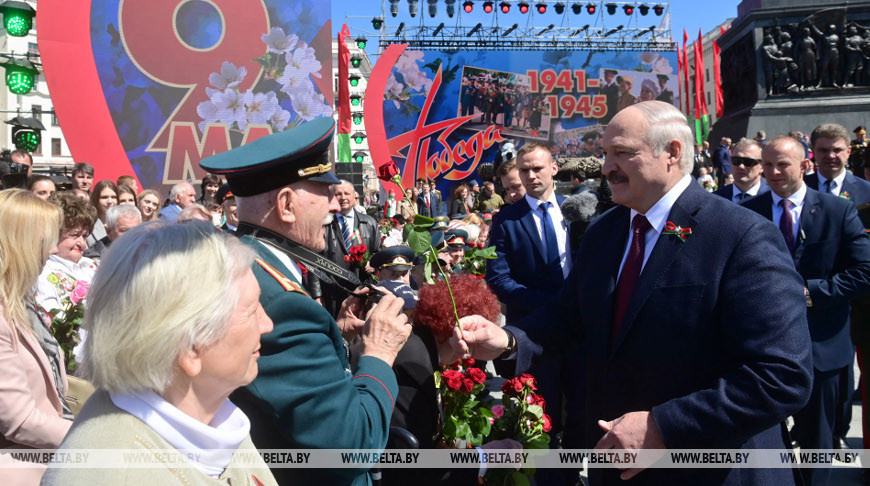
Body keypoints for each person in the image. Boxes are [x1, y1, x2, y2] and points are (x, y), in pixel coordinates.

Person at [458, 101, 813, 486]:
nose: (606, 167)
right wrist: (509, 340)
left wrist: (665, 425)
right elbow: (570, 316)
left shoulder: (741, 235)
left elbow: (782, 375)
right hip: (617, 466)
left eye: (622, 153)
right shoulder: (603, 233)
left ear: (672, 152)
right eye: (605, 153)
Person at [200, 117, 412, 486]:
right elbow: (352, 447)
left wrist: (335, 335)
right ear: (286, 204)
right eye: (324, 191)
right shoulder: (278, 302)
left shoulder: (247, 262)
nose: (335, 204)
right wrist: (379, 352)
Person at [42, 222, 278, 485]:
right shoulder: (112, 476)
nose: (267, 324)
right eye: (251, 310)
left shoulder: (215, 417)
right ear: (189, 347)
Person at [742, 135, 870, 486]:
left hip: (821, 347)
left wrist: (809, 293)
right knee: (765, 439)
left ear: (805, 166)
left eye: (782, 164)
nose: (773, 172)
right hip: (760, 349)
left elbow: (864, 271)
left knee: (818, 441)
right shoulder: (746, 213)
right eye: (767, 165)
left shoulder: (837, 210)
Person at [485, 141, 573, 476]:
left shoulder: (579, 211)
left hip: (583, 334)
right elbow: (498, 278)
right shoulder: (506, 220)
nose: (532, 175)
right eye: (525, 170)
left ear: (554, 168)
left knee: (582, 412)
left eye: (538, 168)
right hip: (535, 334)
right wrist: (552, 305)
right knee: (541, 417)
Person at [0, 190, 72, 485]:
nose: (54, 250)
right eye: (47, 240)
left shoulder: (20, 302)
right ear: (21, 243)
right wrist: (94, 437)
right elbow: (20, 420)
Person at [321, 179, 380, 315]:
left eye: (347, 193)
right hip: (332, 290)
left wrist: (372, 264)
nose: (343, 197)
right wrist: (317, 295)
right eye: (338, 194)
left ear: (354, 197)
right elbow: (314, 259)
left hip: (361, 289)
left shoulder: (369, 223)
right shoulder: (324, 223)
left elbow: (378, 253)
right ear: (332, 197)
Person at [713, 138, 770, 202]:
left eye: (748, 162)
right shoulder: (716, 198)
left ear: (762, 166)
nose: (741, 166)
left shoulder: (774, 198)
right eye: (736, 161)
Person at [86, 180, 118, 247]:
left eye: (113, 197)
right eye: (104, 197)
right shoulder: (87, 225)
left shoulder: (124, 223)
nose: (110, 201)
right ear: (96, 199)